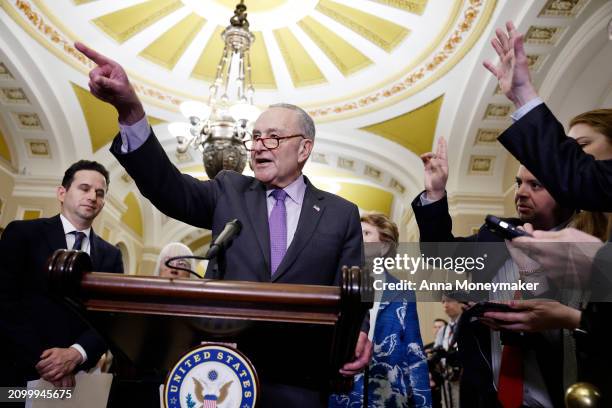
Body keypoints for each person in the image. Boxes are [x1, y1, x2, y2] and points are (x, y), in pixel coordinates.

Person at [74, 42, 370, 407]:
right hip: (222, 371)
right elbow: (168, 189)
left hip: (300, 382)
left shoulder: (342, 213)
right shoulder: (229, 190)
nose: (258, 145)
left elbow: (356, 292)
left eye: (273, 137)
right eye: (255, 136)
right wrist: (130, 109)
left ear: (304, 148)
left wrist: (359, 332)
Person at [412, 136, 576, 407]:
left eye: (535, 185)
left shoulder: (587, 243)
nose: (521, 192)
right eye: (518, 182)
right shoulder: (494, 236)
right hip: (492, 394)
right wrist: (435, 194)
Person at [0, 160, 123, 389]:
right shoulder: (23, 233)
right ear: (62, 193)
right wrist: (49, 364)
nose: (92, 197)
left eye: (99, 193)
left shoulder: (111, 256)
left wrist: (76, 355)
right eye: (84, 188)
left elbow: (111, 318)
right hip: (16, 375)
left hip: (78, 379)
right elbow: (5, 302)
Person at [329, 213, 431, 408]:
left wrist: (423, 402)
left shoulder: (403, 292)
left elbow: (414, 351)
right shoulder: (336, 287)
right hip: (342, 393)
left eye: (366, 233)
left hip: (389, 395)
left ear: (384, 246)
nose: (358, 238)